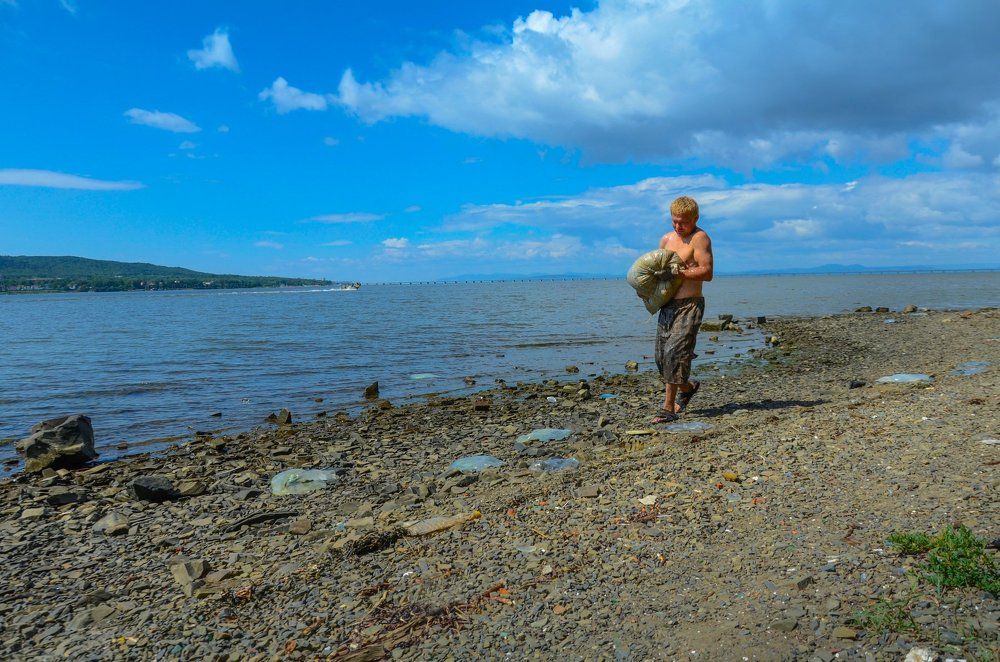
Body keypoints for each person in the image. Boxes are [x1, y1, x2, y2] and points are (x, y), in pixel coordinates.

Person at [650, 195, 713, 423]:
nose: (678, 226)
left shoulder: (700, 238)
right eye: (674, 221)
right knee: (661, 358)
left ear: (695, 218)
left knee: (674, 354)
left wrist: (681, 272)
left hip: (690, 305)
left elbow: (707, 272)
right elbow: (657, 272)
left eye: (683, 222)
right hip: (667, 305)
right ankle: (687, 388)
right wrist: (646, 289)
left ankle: (668, 408)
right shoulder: (666, 239)